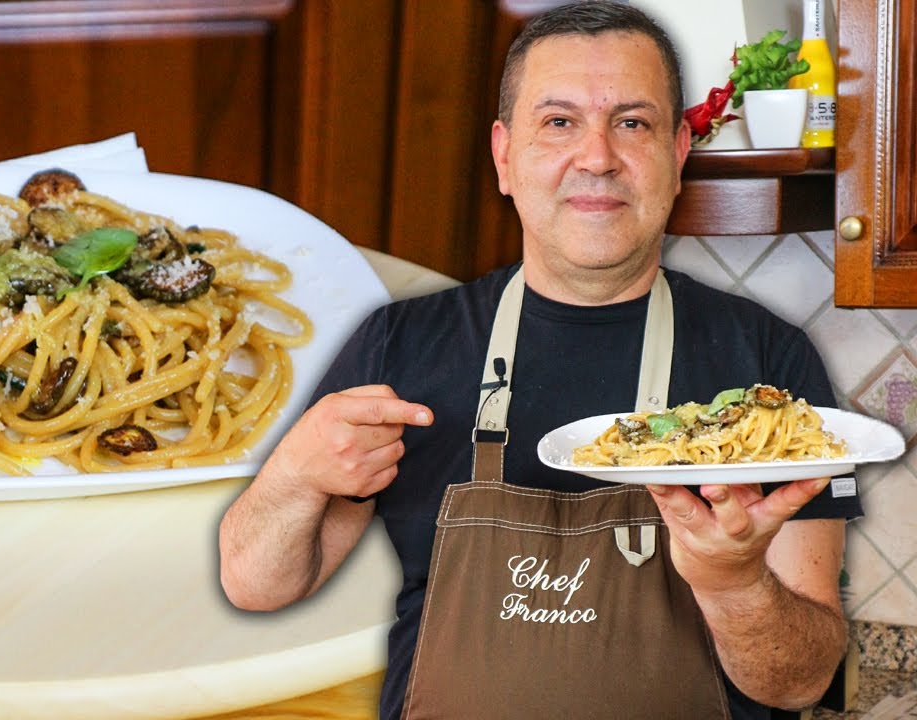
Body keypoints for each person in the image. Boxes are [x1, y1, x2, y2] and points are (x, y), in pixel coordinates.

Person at [217, 3, 861, 719]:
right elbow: (257, 583)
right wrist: (293, 475)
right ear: (503, 155)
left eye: (633, 123)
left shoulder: (769, 371)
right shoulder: (397, 347)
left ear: (679, 152)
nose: (596, 156)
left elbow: (800, 680)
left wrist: (735, 582)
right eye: (559, 122)